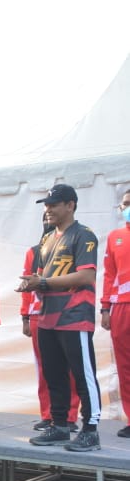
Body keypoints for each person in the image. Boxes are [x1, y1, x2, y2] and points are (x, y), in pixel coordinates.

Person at [20, 184, 102, 452]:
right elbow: (43, 273)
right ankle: (59, 426)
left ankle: (90, 430)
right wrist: (31, 283)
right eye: (46, 205)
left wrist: (42, 282)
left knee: (82, 374)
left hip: (74, 314)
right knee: (53, 374)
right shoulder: (47, 238)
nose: (48, 210)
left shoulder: (84, 235)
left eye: (54, 204)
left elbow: (86, 276)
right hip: (47, 316)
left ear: (70, 205)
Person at [24, 218, 82, 431]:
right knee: (45, 368)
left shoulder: (74, 243)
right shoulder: (33, 251)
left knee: (69, 368)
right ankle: (48, 414)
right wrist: (24, 316)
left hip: (66, 312)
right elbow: (27, 283)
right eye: (43, 217)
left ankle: (70, 415)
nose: (47, 219)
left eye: (51, 212)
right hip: (38, 314)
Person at [101, 188, 130, 438]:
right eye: (124, 205)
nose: (126, 208)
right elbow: (109, 274)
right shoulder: (115, 237)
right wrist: (105, 307)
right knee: (125, 366)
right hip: (121, 307)